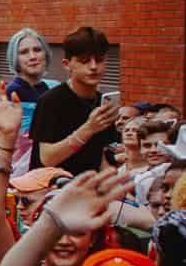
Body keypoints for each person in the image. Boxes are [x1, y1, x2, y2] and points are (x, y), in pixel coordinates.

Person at [28, 26, 120, 176]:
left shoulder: (101, 101)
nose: (93, 67)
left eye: (99, 60)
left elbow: (102, 156)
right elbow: (47, 158)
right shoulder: (51, 101)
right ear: (67, 64)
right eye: (84, 61)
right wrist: (89, 128)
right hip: (51, 189)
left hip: (90, 188)